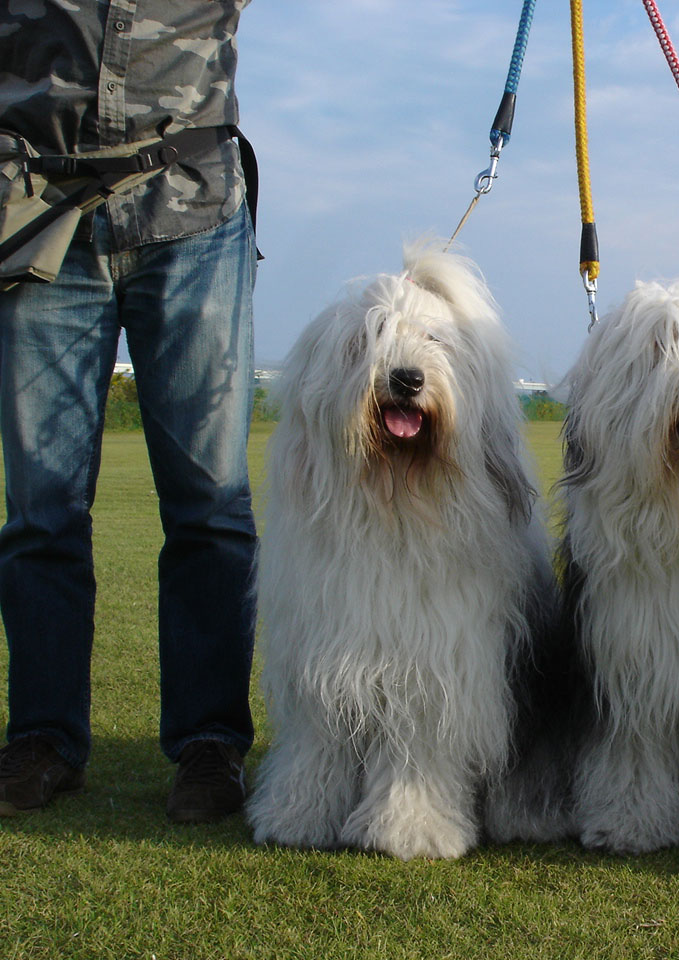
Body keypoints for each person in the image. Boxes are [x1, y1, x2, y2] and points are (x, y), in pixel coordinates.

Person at [0, 1, 257, 821]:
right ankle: (42, 740)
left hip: (191, 206)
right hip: (41, 207)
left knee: (211, 506)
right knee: (40, 510)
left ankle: (210, 744)